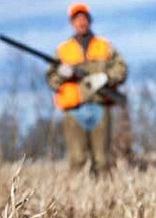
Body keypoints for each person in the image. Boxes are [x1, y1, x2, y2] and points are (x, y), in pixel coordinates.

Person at [46, 3, 127, 177]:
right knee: (77, 161)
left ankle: (105, 197)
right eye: (77, 19)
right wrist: (62, 75)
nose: (81, 22)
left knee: (103, 160)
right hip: (74, 109)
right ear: (71, 22)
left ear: (89, 20)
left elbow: (121, 69)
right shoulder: (63, 50)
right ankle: (76, 200)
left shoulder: (104, 45)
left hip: (100, 105)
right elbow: (51, 78)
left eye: (84, 18)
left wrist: (106, 77)